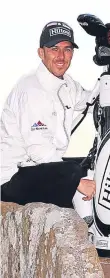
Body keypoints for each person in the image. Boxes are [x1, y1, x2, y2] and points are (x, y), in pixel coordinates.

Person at [1, 21, 96, 209]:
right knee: (72, 172)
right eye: (54, 49)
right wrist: (77, 182)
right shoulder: (31, 89)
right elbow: (39, 151)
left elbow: (92, 101)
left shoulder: (68, 84)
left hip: (37, 170)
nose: (61, 56)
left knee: (89, 164)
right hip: (10, 180)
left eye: (67, 49)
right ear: (41, 53)